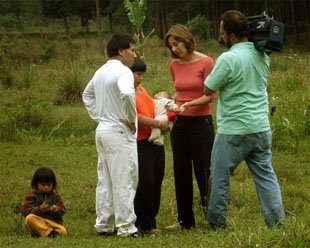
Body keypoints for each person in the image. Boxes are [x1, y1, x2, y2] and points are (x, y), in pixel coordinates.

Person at [204, 10, 285, 230]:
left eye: (222, 33)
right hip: (260, 127)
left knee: (220, 177)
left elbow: (208, 87)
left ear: (230, 35)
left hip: (233, 130)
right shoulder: (263, 56)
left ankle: (217, 224)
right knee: (266, 177)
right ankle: (276, 223)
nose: (221, 37)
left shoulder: (228, 58)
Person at [82, 34, 141, 237]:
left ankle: (104, 224)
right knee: (124, 177)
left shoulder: (101, 71)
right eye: (132, 50)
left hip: (103, 130)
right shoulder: (123, 72)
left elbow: (87, 94)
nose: (135, 55)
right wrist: (131, 119)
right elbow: (126, 93)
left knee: (105, 179)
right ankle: (126, 227)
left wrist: (99, 116)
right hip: (118, 131)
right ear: (121, 51)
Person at [164, 24, 216, 230]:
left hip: (201, 123)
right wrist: (169, 100)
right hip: (180, 123)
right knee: (181, 171)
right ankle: (185, 220)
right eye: (171, 46)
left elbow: (210, 95)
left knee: (204, 170)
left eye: (176, 43)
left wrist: (189, 104)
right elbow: (178, 92)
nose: (174, 49)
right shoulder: (173, 65)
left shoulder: (206, 62)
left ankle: (211, 215)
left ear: (186, 39)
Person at [130, 58, 170, 234]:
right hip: (140, 141)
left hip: (155, 140)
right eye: (138, 74)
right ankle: (142, 221)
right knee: (146, 181)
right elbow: (133, 115)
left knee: (156, 181)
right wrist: (156, 123)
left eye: (142, 75)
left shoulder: (142, 89)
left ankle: (151, 219)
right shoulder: (127, 93)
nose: (140, 78)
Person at [21, 167, 67, 238]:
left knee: (63, 231)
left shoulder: (55, 196)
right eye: (43, 185)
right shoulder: (32, 196)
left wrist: (57, 209)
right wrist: (38, 209)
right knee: (29, 218)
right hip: (38, 221)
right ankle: (49, 234)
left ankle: (44, 233)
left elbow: (63, 210)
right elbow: (25, 211)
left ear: (53, 185)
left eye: (49, 185)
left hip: (52, 223)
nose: (46, 187)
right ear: (36, 184)